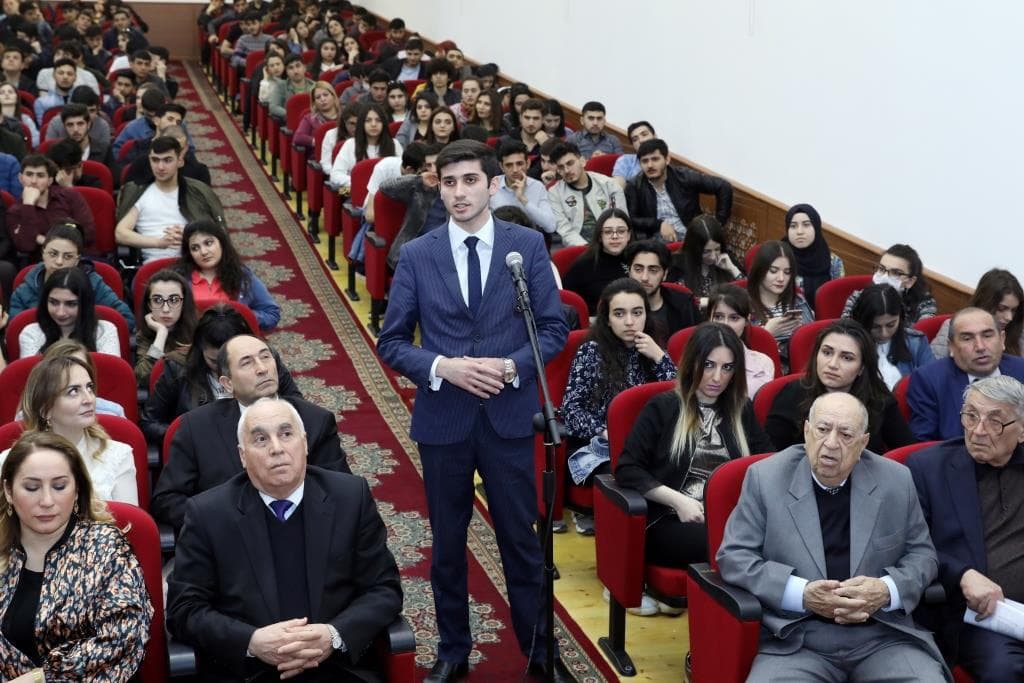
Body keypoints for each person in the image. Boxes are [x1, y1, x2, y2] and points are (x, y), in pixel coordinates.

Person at [377, 140, 570, 681]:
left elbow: (552, 329)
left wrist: (509, 367)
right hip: (445, 420)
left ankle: (540, 651)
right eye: (449, 182)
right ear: (438, 187)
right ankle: (453, 650)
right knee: (447, 545)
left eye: (469, 181)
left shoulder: (525, 246)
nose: (459, 192)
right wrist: (444, 366)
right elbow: (392, 341)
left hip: (509, 418)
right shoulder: (419, 253)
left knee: (521, 542)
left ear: (492, 185)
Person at [717, 392, 951, 682]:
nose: (830, 443)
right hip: (797, 639)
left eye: (845, 435)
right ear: (806, 431)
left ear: (863, 443)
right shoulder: (765, 478)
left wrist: (885, 590)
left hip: (883, 635)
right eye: (823, 429)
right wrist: (801, 594)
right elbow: (734, 556)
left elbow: (922, 555)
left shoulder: (896, 480)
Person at [167, 397, 403, 682]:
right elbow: (184, 610)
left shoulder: (350, 497)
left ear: (305, 443)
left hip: (335, 668)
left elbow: (384, 589)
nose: (276, 448)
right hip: (248, 673)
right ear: (243, 455)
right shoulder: (208, 513)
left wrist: (333, 635)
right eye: (261, 439)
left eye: (286, 434)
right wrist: (252, 641)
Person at [616, 322, 772, 613]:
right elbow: (627, 469)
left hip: (729, 518)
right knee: (730, 546)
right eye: (709, 365)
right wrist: (679, 501)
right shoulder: (663, 407)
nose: (717, 377)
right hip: (670, 519)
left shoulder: (741, 410)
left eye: (727, 368)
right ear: (692, 362)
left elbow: (767, 462)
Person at [151, 334, 350, 534]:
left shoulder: (315, 420)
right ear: (227, 383)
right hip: (228, 541)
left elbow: (340, 491)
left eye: (265, 357)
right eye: (247, 363)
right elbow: (167, 499)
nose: (262, 369)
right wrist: (221, 524)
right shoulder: (196, 427)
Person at [0, 431, 152, 680]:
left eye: (59, 486)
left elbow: (125, 639)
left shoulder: (106, 548)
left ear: (77, 488)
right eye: (32, 487)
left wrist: (42, 678)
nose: (47, 500)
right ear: (9, 491)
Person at [908, 376, 1024, 681]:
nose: (978, 430)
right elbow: (911, 545)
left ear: (1022, 429)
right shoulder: (928, 469)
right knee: (1004, 670)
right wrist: (962, 574)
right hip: (985, 618)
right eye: (971, 416)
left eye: (995, 421)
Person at [562, 278, 677, 533]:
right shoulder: (591, 352)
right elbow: (571, 410)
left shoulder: (652, 349)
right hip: (600, 445)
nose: (629, 322)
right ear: (607, 318)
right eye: (619, 314)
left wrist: (660, 357)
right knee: (631, 472)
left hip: (646, 444)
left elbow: (682, 400)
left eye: (637, 313)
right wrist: (606, 431)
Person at [141, 304, 300, 445]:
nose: (224, 370)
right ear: (200, 349)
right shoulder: (178, 368)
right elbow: (150, 423)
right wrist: (190, 438)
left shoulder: (265, 362)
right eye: (215, 362)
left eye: (240, 362)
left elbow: (298, 408)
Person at [766, 318, 915, 453]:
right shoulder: (792, 394)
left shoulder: (879, 399)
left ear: (862, 367)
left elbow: (906, 453)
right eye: (827, 352)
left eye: (847, 358)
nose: (832, 364)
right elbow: (772, 459)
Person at [1, 355, 137, 503]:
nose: (89, 399)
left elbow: (127, 517)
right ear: (45, 409)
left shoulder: (118, 455)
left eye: (89, 388)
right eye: (73, 391)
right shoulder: (9, 461)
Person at [907, 307, 1024, 441]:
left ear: (1002, 340)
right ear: (951, 347)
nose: (980, 347)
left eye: (987, 336)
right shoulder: (929, 380)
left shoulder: (1021, 369)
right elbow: (922, 445)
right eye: (967, 338)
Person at [116, 136, 225, 263]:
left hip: (196, 261)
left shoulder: (198, 192)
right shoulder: (139, 193)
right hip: (154, 264)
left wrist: (190, 235)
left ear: (180, 161)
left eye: (167, 160)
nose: (160, 167)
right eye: (155, 160)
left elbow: (218, 231)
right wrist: (159, 243)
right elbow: (120, 234)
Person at [8, 223, 134, 328]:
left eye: (68, 256)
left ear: (77, 260)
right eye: (53, 254)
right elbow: (15, 330)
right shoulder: (25, 290)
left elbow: (125, 319)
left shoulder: (93, 283)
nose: (59, 262)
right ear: (43, 253)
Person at [176, 218, 280, 331]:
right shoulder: (179, 278)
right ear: (189, 253)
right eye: (195, 248)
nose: (203, 252)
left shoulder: (242, 275)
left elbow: (271, 314)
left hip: (234, 339)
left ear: (221, 242)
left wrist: (240, 315)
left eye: (208, 243)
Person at [625, 139, 732, 241]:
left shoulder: (684, 177)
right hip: (657, 241)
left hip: (693, 237)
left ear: (667, 160)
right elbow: (631, 219)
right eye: (645, 161)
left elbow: (723, 186)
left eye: (655, 159)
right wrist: (658, 224)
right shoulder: (634, 186)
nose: (650, 165)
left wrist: (718, 223)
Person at [18, 267, 121, 358]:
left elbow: (108, 372)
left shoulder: (104, 331)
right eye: (53, 302)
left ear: (85, 304)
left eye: (71, 304)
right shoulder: (32, 333)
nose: (60, 312)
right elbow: (32, 374)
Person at [8, 154, 96, 260]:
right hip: (42, 263)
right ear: (20, 178)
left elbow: (87, 233)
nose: (34, 181)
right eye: (29, 174)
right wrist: (28, 205)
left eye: (40, 176)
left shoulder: (70, 196)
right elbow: (26, 246)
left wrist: (43, 240)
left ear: (50, 180)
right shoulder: (15, 211)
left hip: (79, 258)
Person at [849, 284, 934, 389]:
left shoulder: (916, 342)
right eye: (875, 327)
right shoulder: (849, 343)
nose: (884, 333)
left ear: (901, 317)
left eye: (891, 325)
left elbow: (932, 382)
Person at [746, 240, 814, 370]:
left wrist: (801, 332)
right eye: (773, 271)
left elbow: (813, 343)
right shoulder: (743, 304)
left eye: (787, 272)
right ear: (760, 270)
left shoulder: (798, 301)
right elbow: (736, 354)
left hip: (800, 371)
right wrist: (767, 333)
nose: (781, 278)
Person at [548, 141, 628, 246]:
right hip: (578, 248)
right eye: (561, 167)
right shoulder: (554, 193)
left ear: (582, 161)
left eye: (570, 163)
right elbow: (565, 230)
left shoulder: (609, 185)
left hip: (612, 243)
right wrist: (586, 249)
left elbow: (622, 222)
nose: (566, 170)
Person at [931, 268, 1024, 358]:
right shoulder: (952, 327)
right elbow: (933, 366)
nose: (1009, 317)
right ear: (984, 303)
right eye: (1001, 309)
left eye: (1013, 310)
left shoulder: (1019, 333)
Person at [841, 244, 937, 324]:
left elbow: (920, 335)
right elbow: (846, 331)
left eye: (896, 273)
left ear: (910, 281)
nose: (885, 277)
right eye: (881, 269)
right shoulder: (857, 297)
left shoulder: (925, 303)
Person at [707, 284, 776, 396]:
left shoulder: (762, 364)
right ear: (709, 318)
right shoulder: (695, 357)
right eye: (718, 317)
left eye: (734, 318)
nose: (725, 325)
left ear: (747, 321)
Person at [625, 239, 702, 337]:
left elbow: (698, 342)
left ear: (665, 274)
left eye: (653, 270)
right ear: (629, 271)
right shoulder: (615, 304)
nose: (644, 278)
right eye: (638, 269)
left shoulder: (684, 305)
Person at [135, 268, 197, 387]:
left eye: (174, 300)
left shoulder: (200, 331)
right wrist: (161, 334)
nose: (166, 309)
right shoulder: (144, 335)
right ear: (149, 305)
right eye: (157, 300)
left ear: (184, 303)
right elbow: (143, 378)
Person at [562, 208, 632, 313]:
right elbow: (566, 304)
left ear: (629, 235)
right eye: (608, 232)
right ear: (600, 236)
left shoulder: (638, 260)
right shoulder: (583, 265)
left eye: (621, 231)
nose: (615, 236)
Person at [783, 203, 844, 313]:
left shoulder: (834, 262)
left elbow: (838, 300)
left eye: (806, 225)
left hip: (823, 319)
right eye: (793, 226)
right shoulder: (778, 257)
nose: (799, 232)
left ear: (816, 227)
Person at [329, 102, 402, 194]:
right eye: (368, 120)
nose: (373, 124)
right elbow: (335, 175)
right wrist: (362, 183)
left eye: (378, 120)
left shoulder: (394, 144)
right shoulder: (350, 144)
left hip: (386, 194)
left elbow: (403, 175)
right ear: (361, 123)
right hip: (357, 192)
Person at [669, 214, 741, 305]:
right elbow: (670, 301)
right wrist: (703, 302)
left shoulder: (725, 258)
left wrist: (733, 269)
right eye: (707, 251)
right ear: (694, 249)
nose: (713, 256)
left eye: (717, 249)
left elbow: (746, 297)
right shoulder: (677, 266)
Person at [489, 140, 555, 234]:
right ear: (501, 166)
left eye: (519, 164)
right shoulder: (492, 186)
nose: (515, 170)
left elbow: (550, 226)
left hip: (529, 238)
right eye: (509, 165)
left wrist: (523, 200)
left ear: (528, 164)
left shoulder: (537, 187)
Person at [292, 81, 339, 150]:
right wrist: (318, 142)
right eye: (318, 97)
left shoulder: (345, 116)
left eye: (325, 95)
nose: (322, 99)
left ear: (333, 96)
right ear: (314, 102)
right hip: (317, 154)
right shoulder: (310, 119)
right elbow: (298, 137)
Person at [612, 120, 657, 188]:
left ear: (655, 136)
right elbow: (618, 188)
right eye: (635, 139)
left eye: (644, 135)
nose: (641, 140)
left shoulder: (664, 160)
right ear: (633, 145)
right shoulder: (625, 161)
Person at [269, 53, 313, 120]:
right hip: (290, 121)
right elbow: (273, 107)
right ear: (286, 71)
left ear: (304, 68)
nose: (295, 71)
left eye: (298, 66)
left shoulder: (314, 86)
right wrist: (292, 114)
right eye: (291, 68)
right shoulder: (281, 86)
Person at [0, 82, 37, 148]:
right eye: (2, 93)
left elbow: (35, 140)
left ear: (17, 97)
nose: (6, 94)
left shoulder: (25, 119)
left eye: (10, 92)